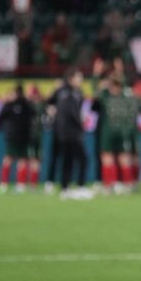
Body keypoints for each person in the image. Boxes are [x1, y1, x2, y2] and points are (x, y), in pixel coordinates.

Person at [91, 73, 137, 195]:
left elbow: (95, 93)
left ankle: (109, 185)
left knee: (108, 157)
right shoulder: (126, 98)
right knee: (123, 157)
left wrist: (97, 79)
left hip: (108, 131)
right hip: (122, 131)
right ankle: (126, 184)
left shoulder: (106, 97)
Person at [53, 68, 93, 200]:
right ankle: (80, 187)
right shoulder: (66, 93)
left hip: (69, 131)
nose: (81, 80)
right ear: (71, 79)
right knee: (82, 159)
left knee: (69, 160)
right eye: (78, 77)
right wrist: (81, 122)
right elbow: (70, 113)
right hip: (70, 132)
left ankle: (65, 188)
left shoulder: (75, 92)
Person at [0, 84, 36, 194]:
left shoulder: (15, 104)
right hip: (20, 136)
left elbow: (0, 119)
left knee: (16, 159)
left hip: (17, 136)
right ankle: (15, 184)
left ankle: (9, 184)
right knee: (16, 159)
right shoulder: (25, 104)